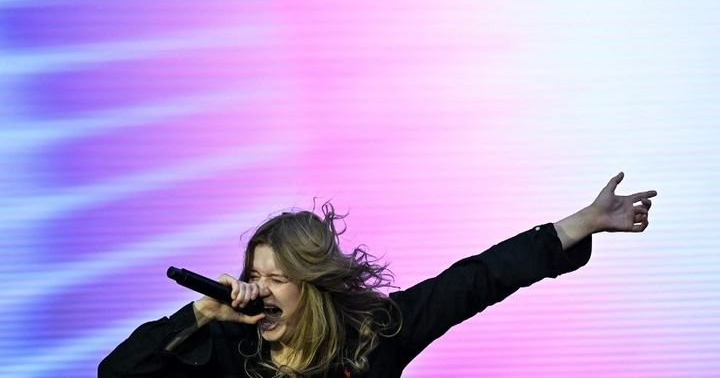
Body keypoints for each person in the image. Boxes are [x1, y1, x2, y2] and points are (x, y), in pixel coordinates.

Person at [99, 172, 656, 377]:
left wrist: (580, 223)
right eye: (254, 275)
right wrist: (200, 312)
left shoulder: (376, 334)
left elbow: (478, 278)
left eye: (276, 277)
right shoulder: (227, 349)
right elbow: (115, 374)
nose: (258, 289)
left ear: (311, 283)